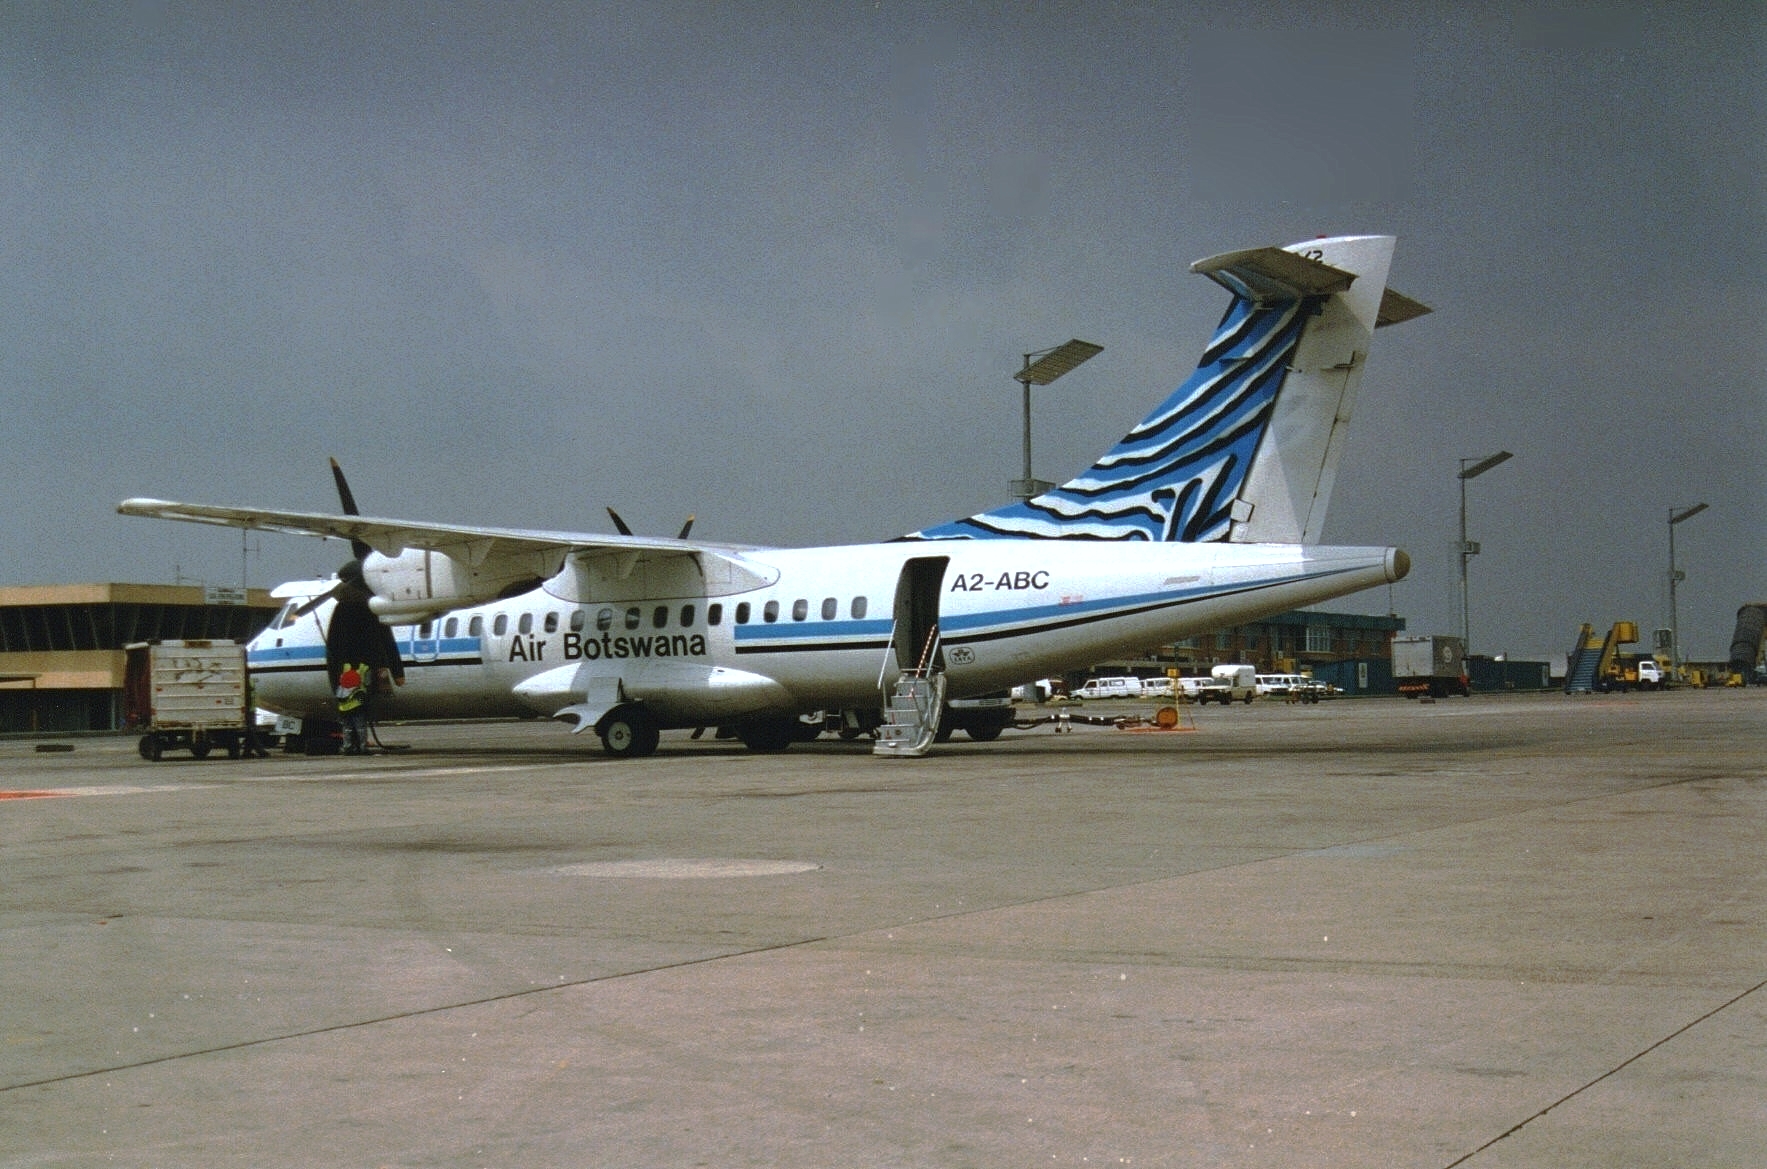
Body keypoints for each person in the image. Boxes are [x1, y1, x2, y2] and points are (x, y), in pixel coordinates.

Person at [335, 661, 370, 754]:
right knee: (361, 728)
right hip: (357, 704)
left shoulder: (344, 667)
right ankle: (363, 748)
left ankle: (348, 747)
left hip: (344, 706)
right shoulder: (364, 667)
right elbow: (368, 683)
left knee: (347, 728)